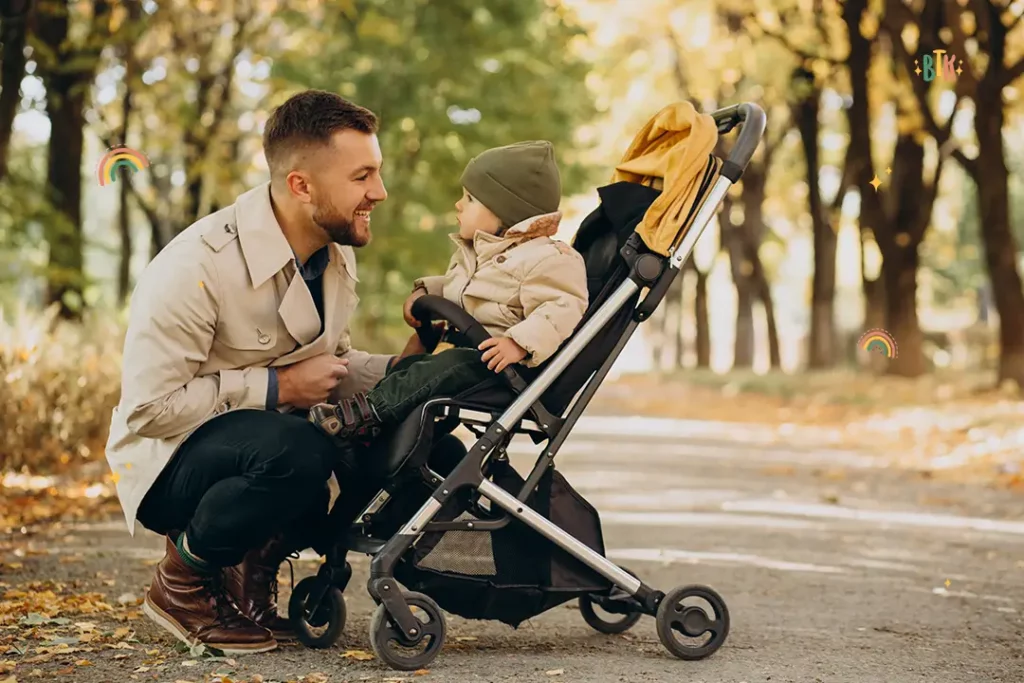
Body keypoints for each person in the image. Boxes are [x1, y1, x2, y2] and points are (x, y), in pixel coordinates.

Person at [104, 90, 424, 654]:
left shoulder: (331, 249)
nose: (380, 191)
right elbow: (148, 410)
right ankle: (181, 582)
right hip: (170, 467)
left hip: (266, 444)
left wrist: (417, 363)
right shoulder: (196, 267)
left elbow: (334, 364)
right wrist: (277, 387)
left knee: (399, 437)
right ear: (301, 185)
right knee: (299, 450)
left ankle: (248, 573)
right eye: (362, 176)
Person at [307, 140, 588, 443]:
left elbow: (561, 308)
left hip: (504, 368)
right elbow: (466, 288)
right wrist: (426, 291)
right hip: (467, 355)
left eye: (469, 198)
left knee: (442, 368)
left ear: (505, 211)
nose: (458, 205)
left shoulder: (548, 260)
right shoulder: (479, 252)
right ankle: (377, 430)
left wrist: (518, 343)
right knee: (413, 367)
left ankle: (363, 416)